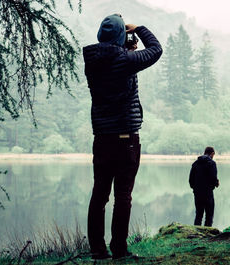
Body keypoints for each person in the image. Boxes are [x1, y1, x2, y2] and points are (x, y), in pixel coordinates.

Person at [82, 14, 162, 260]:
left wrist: (123, 46)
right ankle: (119, 249)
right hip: (126, 139)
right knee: (123, 196)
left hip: (102, 138)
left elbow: (113, 59)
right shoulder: (125, 60)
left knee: (99, 195)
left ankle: (97, 249)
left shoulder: (93, 60)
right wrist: (138, 28)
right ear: (120, 37)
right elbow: (156, 50)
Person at [189, 146, 219, 227]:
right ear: (212, 154)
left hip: (197, 193)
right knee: (209, 216)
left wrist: (195, 188)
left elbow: (191, 180)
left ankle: (196, 234)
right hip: (208, 193)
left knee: (198, 215)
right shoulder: (212, 164)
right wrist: (216, 183)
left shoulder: (195, 163)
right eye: (213, 155)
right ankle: (207, 236)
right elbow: (213, 178)